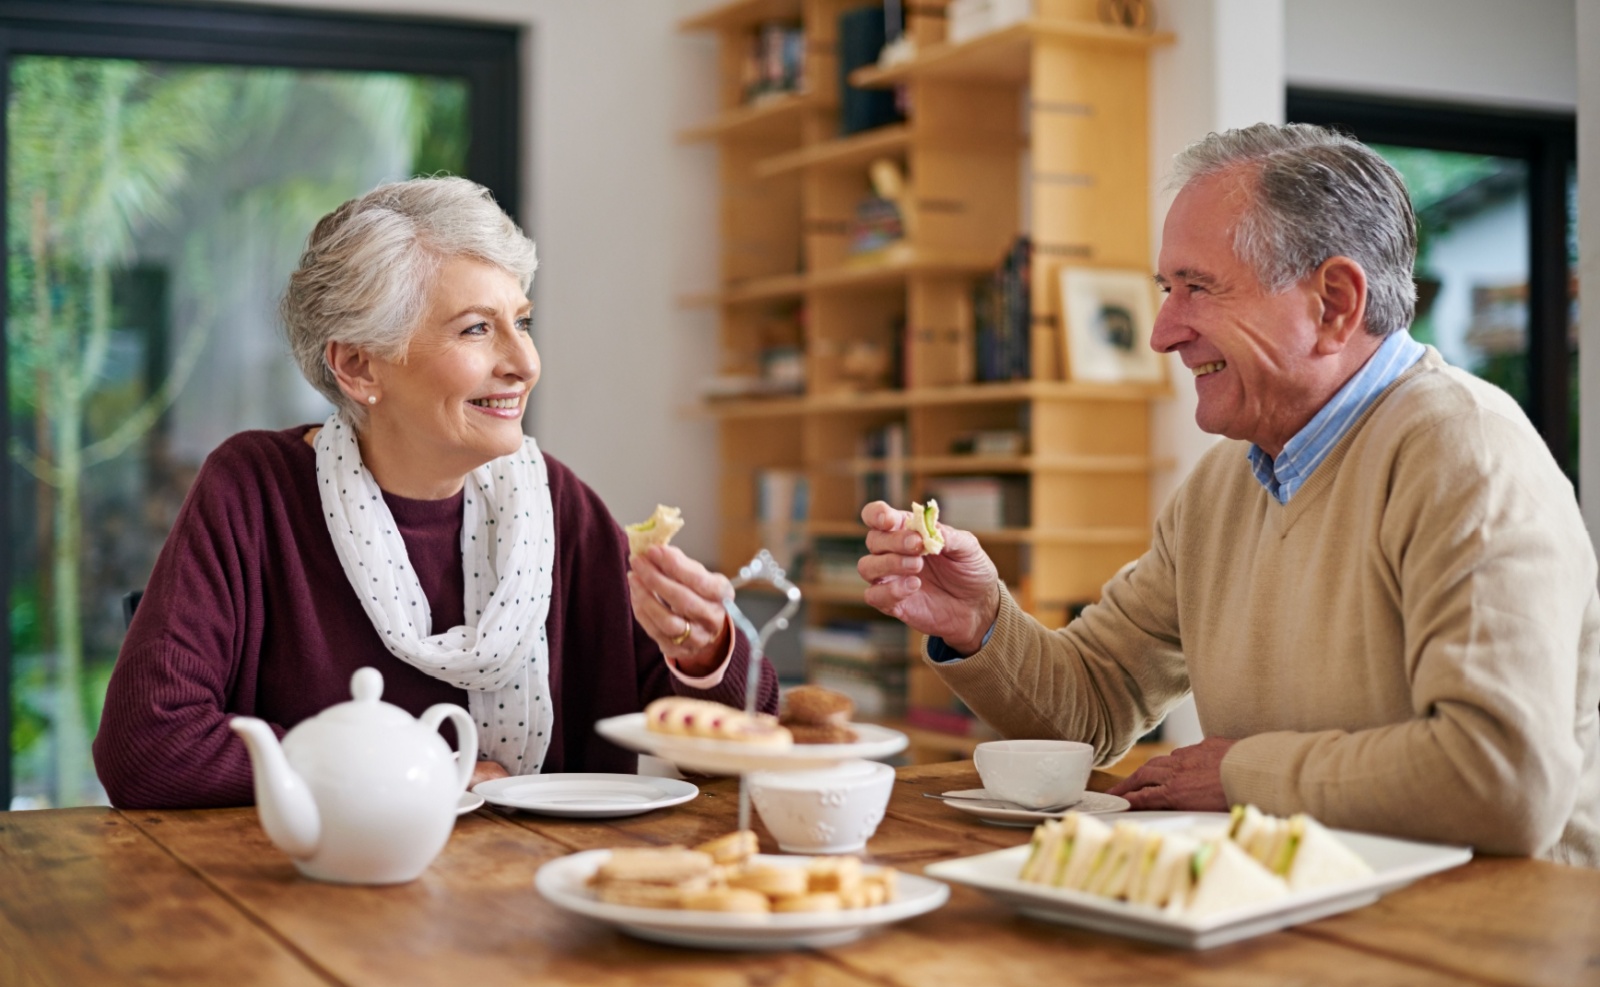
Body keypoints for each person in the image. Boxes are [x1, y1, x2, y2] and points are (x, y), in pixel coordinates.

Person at [858, 123, 1599, 864]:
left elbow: (1501, 779)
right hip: (1301, 922)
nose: (1162, 332)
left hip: (1494, 944)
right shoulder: (1226, 483)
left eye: (1197, 288)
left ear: (1334, 303)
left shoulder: (1466, 451)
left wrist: (1241, 775)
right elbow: (1090, 706)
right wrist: (980, 621)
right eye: (1164, 289)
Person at [95, 176, 777, 808]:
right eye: (477, 328)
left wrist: (704, 651)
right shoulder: (255, 493)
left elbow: (744, 751)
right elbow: (148, 750)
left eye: (522, 320)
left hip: (537, 910)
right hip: (311, 908)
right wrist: (412, 768)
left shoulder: (557, 510)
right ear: (358, 364)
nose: (523, 363)